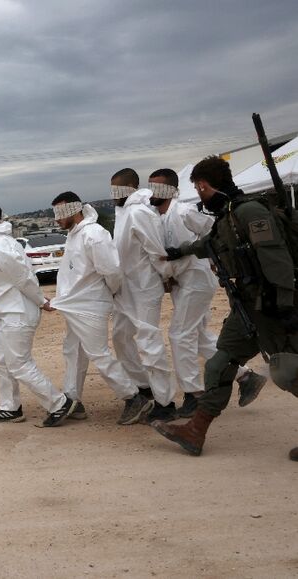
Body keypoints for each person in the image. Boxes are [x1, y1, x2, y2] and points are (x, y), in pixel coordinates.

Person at [152, 156, 297, 459]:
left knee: (289, 372)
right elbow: (211, 244)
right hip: (247, 308)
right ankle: (195, 430)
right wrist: (181, 251)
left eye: (198, 188)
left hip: (271, 307)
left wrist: (286, 306)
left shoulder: (250, 212)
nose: (199, 194)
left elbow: (277, 260)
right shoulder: (228, 216)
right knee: (219, 365)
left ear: (203, 185)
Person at [149, 169, 267, 418]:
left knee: (180, 335)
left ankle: (195, 394)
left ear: (170, 190)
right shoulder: (157, 218)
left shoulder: (184, 212)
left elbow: (213, 231)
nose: (153, 193)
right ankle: (246, 376)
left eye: (158, 187)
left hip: (197, 279)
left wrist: (213, 259)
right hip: (183, 282)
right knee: (199, 336)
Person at [44, 192, 152, 424]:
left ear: (75, 210)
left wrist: (108, 293)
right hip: (75, 305)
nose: (56, 219)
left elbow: (111, 271)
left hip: (90, 306)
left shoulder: (94, 234)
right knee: (73, 351)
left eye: (60, 213)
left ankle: (133, 397)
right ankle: (72, 399)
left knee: (98, 354)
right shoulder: (75, 235)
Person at [0, 201, 76, 427]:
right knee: (0, 363)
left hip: (17, 314)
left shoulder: (0, 246)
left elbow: (23, 278)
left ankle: (59, 404)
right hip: (6, 312)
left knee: (20, 364)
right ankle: (10, 407)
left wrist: (41, 301)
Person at [109, 168, 177, 421]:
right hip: (126, 289)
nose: (113, 195)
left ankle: (165, 401)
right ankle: (143, 386)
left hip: (145, 287)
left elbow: (155, 249)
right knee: (121, 336)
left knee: (149, 342)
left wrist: (166, 275)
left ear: (130, 188)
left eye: (117, 189)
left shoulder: (138, 212)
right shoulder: (124, 213)